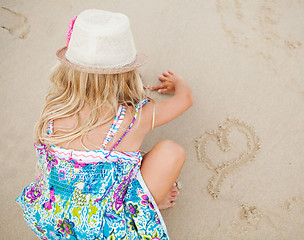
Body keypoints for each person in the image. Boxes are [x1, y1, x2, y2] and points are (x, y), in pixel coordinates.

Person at [15, 9, 193, 239]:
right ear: (127, 73)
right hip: (107, 230)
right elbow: (185, 100)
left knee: (106, 162)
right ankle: (149, 202)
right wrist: (179, 84)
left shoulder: (54, 110)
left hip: (53, 222)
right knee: (170, 151)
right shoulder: (134, 118)